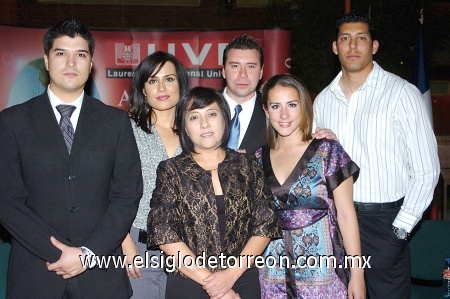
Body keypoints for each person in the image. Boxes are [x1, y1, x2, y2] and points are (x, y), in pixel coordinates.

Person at [0, 18, 143, 298]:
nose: (71, 63)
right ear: (46, 61)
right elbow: (7, 200)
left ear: (90, 65)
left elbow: (127, 195)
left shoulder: (115, 122)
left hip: (100, 276)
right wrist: (57, 252)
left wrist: (88, 255)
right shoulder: (12, 122)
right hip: (35, 274)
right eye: (61, 53)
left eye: (80, 55)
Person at [313, 11, 440, 299]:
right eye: (345, 39)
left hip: (385, 223)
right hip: (337, 220)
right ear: (335, 47)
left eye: (361, 38)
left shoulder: (401, 93)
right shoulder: (322, 100)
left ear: (374, 46)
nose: (353, 46)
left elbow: (427, 170)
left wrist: (400, 230)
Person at [148, 86, 282, 299]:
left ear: (225, 119)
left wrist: (230, 276)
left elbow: (265, 225)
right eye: (194, 117)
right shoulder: (171, 170)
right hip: (189, 283)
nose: (204, 124)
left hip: (243, 280)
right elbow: (164, 232)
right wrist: (216, 286)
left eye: (211, 114)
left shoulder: (248, 165)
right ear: (184, 127)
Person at [256, 74, 365, 299]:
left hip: (323, 275)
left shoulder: (328, 151)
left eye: (292, 105)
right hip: (272, 275)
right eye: (276, 106)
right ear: (266, 111)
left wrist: (358, 275)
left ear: (304, 107)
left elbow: (346, 215)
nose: (284, 115)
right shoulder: (257, 158)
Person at [121, 51, 189, 298]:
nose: (162, 87)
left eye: (169, 79)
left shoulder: (196, 133)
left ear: (181, 84)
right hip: (138, 248)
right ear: (143, 90)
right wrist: (124, 243)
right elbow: (107, 190)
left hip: (190, 251)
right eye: (152, 80)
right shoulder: (126, 131)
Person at [221, 34, 266, 154]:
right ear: (224, 71)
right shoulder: (200, 107)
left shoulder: (274, 113)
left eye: (250, 66)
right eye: (235, 66)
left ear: (261, 72)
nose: (243, 74)